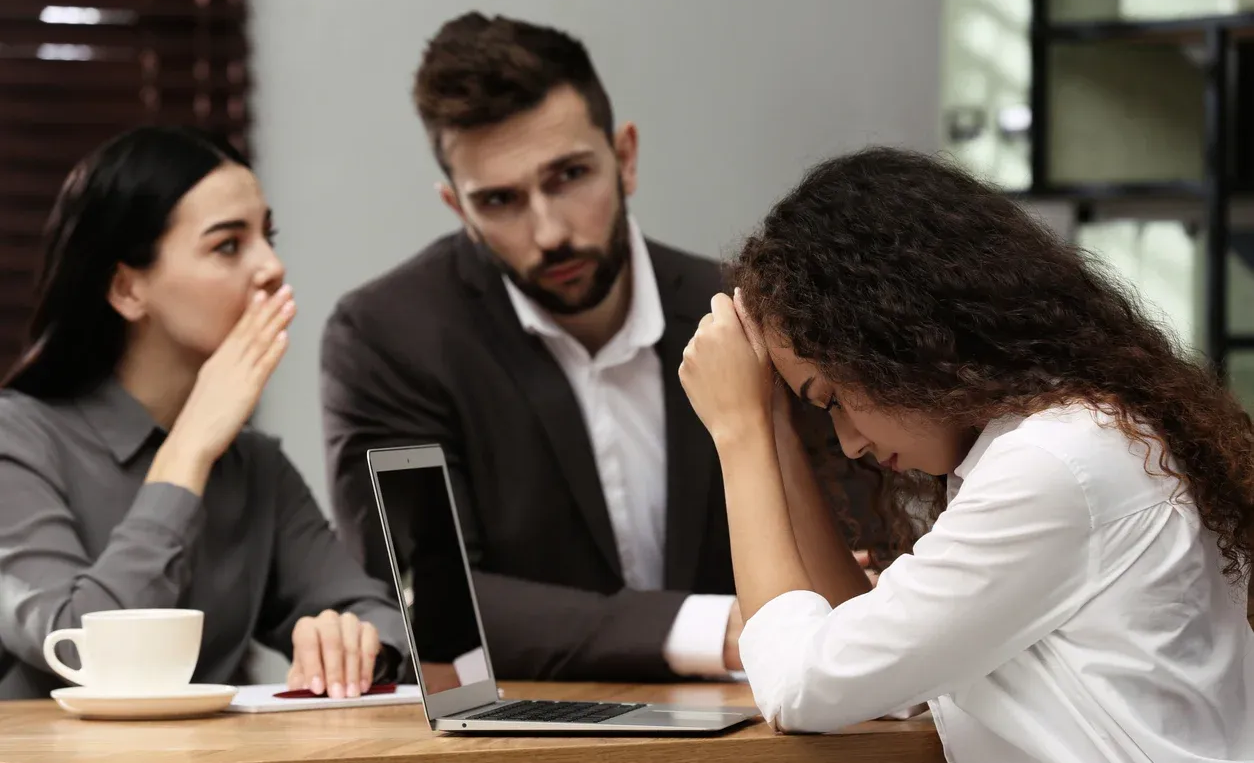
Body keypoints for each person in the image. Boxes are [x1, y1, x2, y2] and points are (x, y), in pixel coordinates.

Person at [321, 12, 874, 685]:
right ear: (457, 208)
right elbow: (428, 603)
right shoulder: (389, 336)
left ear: (626, 157)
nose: (548, 230)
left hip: (764, 730)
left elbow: (857, 544)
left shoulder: (745, 310)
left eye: (568, 176)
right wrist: (718, 627)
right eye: (499, 200)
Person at [678, 148, 1254, 761]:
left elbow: (801, 687)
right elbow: (871, 659)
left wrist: (737, 433)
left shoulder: (1053, 465)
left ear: (894, 336)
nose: (850, 444)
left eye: (834, 398)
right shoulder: (1071, 436)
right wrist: (771, 424)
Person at [0, 126, 409, 700]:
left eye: (268, 236)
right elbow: (86, 647)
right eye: (228, 245)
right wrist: (187, 450)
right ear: (126, 289)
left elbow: (383, 619)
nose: (271, 267)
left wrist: (352, 639)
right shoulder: (16, 440)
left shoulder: (254, 466)